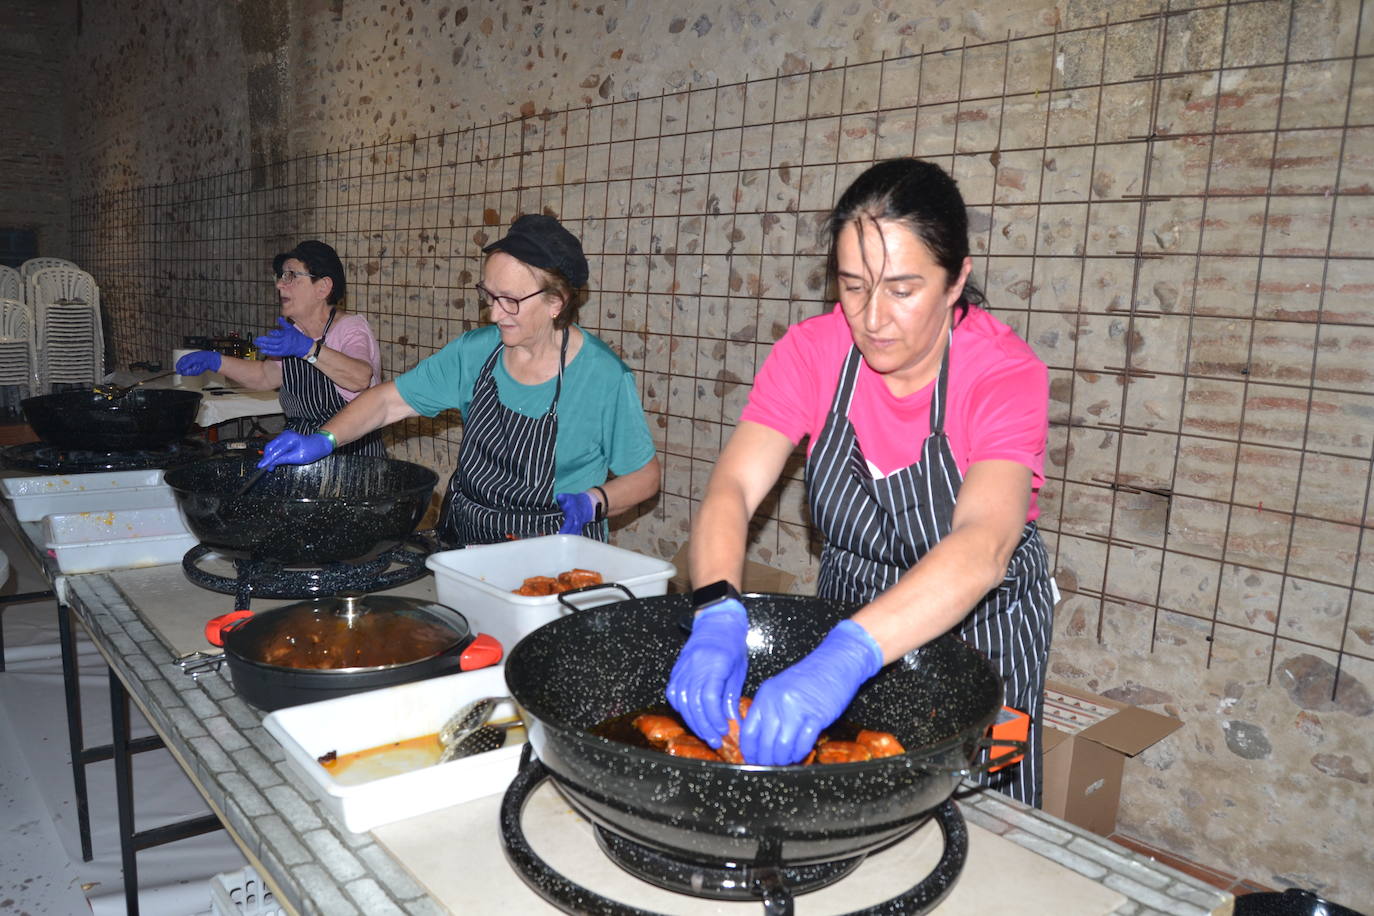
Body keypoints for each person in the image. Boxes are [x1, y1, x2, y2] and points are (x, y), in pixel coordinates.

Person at [666, 158, 1055, 806]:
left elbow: (984, 544)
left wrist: (844, 656)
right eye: (852, 286)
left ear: (956, 278)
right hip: (849, 605)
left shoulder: (1002, 373)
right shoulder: (811, 353)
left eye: (903, 289)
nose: (873, 317)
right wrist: (714, 607)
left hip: (986, 636)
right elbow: (732, 486)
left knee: (991, 812)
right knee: (847, 805)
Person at [253, 214, 661, 546]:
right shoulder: (475, 352)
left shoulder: (602, 376)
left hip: (554, 554)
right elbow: (386, 402)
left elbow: (645, 476)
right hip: (469, 545)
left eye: (512, 301)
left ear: (556, 302)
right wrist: (323, 439)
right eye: (489, 295)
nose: (496, 314)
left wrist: (596, 500)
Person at [174, 239, 386, 456]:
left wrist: (308, 349)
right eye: (281, 276)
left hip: (350, 453)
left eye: (291, 276)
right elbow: (264, 376)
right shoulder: (297, 332)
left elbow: (360, 377)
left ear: (322, 287)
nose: (279, 285)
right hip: (302, 448)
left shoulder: (350, 329)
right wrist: (215, 361)